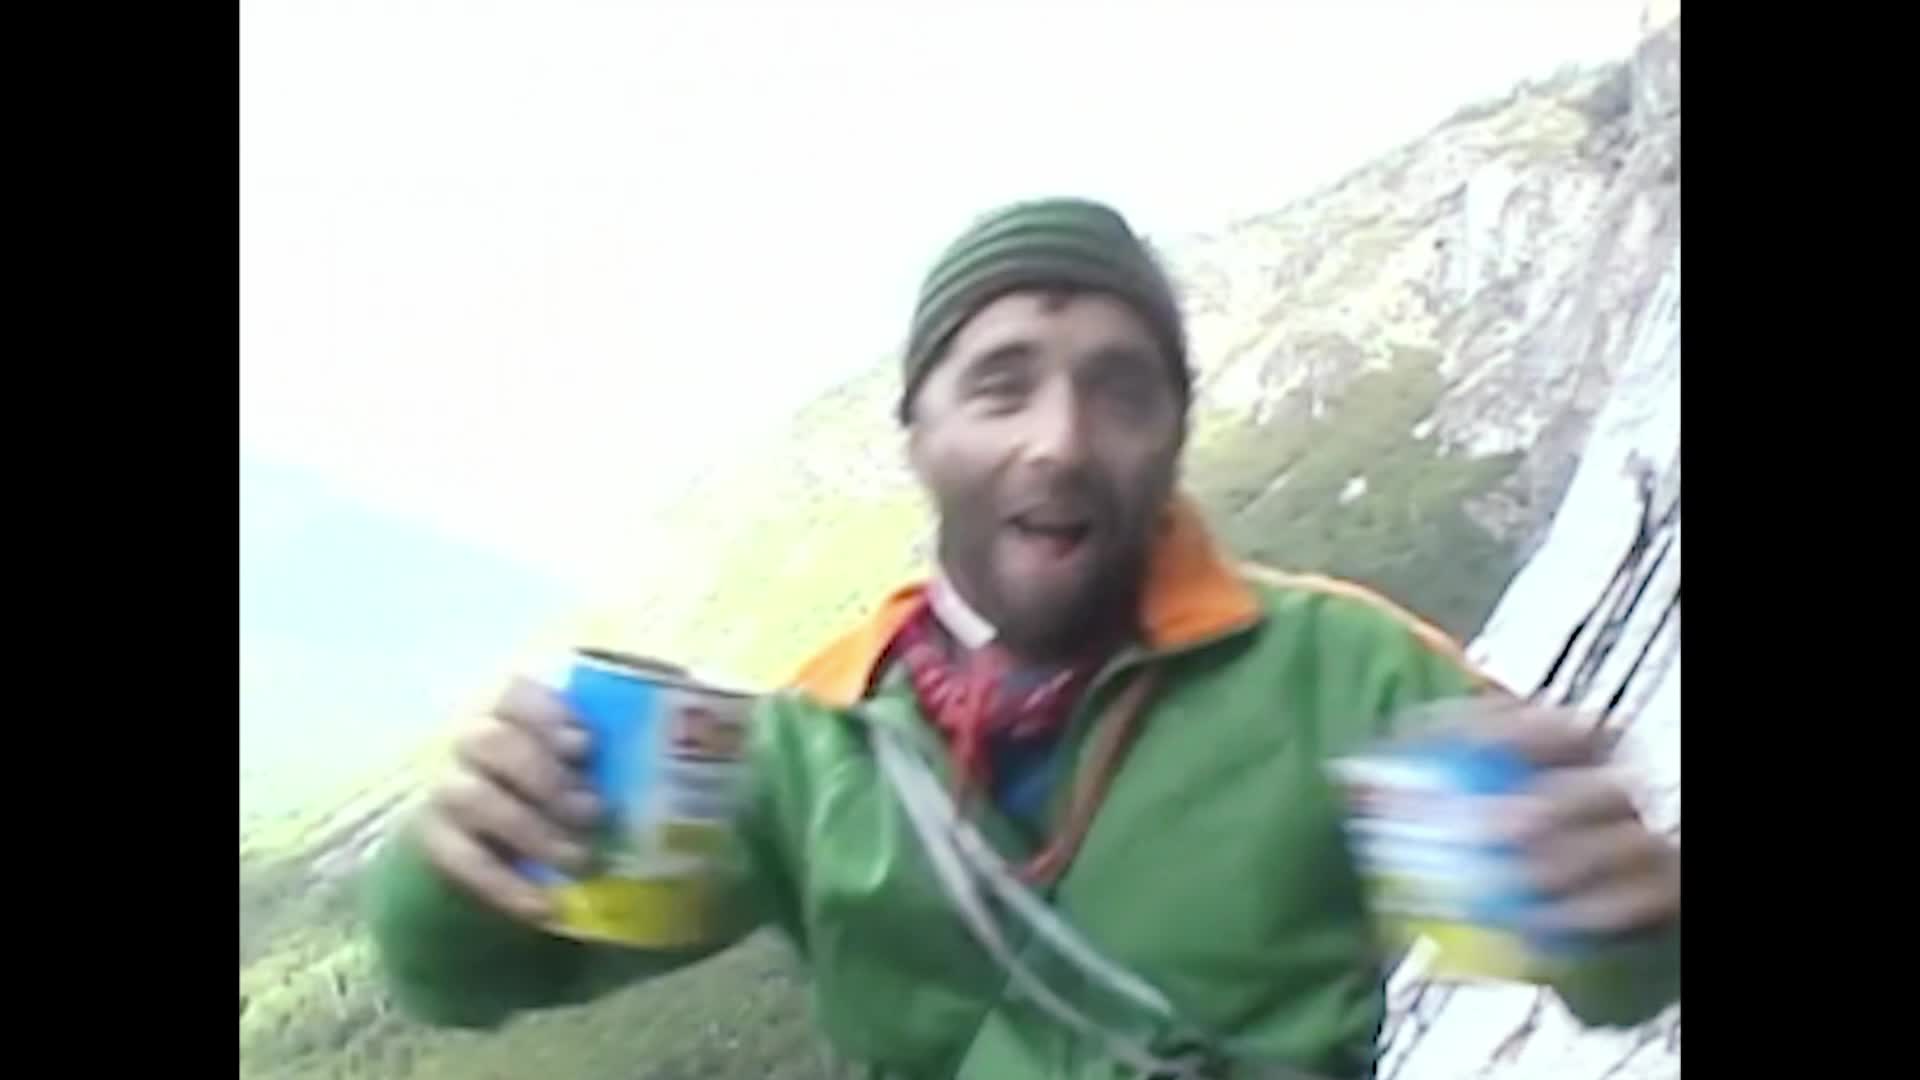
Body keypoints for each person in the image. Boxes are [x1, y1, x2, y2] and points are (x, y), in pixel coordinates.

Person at [363, 197, 1680, 1079]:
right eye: (1000, 386)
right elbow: (467, 978)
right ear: (918, 434)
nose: (1060, 439)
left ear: (1172, 434)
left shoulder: (1345, 672)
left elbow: (1609, 973)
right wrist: (458, 862)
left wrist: (1626, 906)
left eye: (1121, 389)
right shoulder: (809, 744)